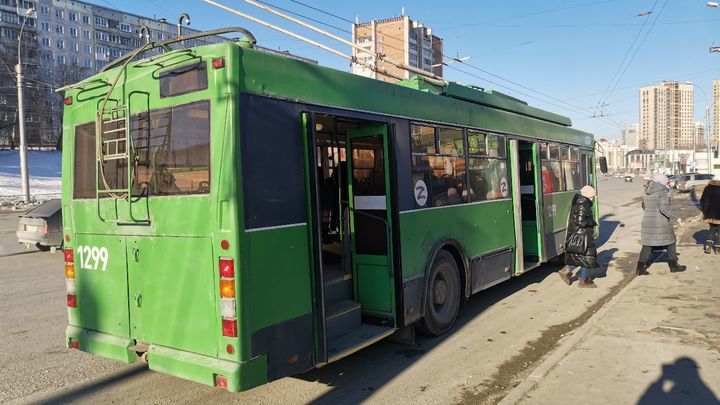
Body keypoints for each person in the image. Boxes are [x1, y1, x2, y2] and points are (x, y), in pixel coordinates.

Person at [636, 173, 686, 275]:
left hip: (647, 222)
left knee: (647, 244)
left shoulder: (647, 191)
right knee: (671, 242)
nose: (666, 183)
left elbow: (644, 207)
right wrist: (676, 218)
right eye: (665, 181)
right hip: (661, 223)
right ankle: (674, 266)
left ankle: (640, 269)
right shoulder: (662, 191)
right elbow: (664, 209)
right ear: (661, 182)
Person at [559, 185, 599, 288]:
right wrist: (592, 222)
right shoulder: (583, 205)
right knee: (586, 257)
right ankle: (583, 280)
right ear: (588, 195)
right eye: (592, 195)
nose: (593, 197)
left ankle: (567, 272)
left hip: (581, 234)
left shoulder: (581, 203)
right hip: (582, 235)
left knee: (581, 257)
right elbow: (580, 222)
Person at [700, 175, 720, 254]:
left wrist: (705, 211)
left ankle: (708, 246)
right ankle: (718, 249)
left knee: (711, 229)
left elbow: (702, 201)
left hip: (709, 214)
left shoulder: (707, 188)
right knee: (719, 231)